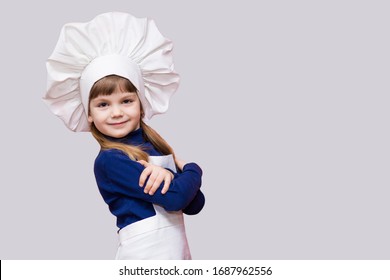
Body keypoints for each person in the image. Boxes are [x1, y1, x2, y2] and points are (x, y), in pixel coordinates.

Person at [43, 12, 205, 260]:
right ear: (89, 113)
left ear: (141, 104)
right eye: (103, 105)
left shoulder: (153, 146)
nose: (116, 113)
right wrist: (192, 169)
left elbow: (196, 205)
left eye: (126, 101)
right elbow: (177, 198)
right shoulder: (111, 160)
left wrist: (171, 176)